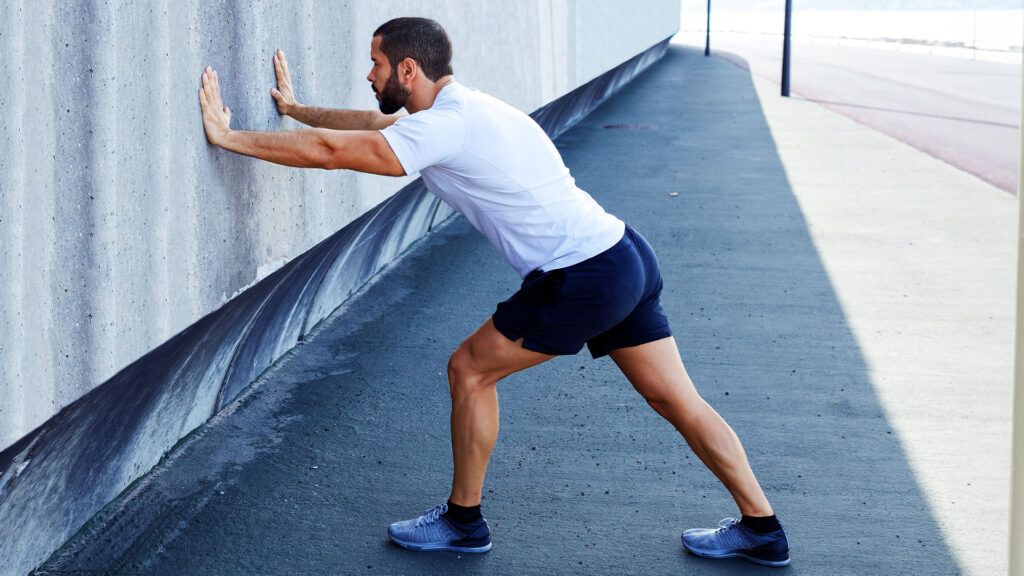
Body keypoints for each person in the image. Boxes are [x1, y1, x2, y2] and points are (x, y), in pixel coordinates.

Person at [197, 16, 790, 568]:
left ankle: (463, 520)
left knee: (470, 371)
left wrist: (229, 138)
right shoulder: (463, 110)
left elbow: (336, 156)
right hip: (622, 253)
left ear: (409, 70)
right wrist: (298, 111)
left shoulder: (447, 125)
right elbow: (370, 125)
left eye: (376, 64)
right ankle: (763, 529)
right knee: (676, 400)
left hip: (580, 274)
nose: (368, 75)